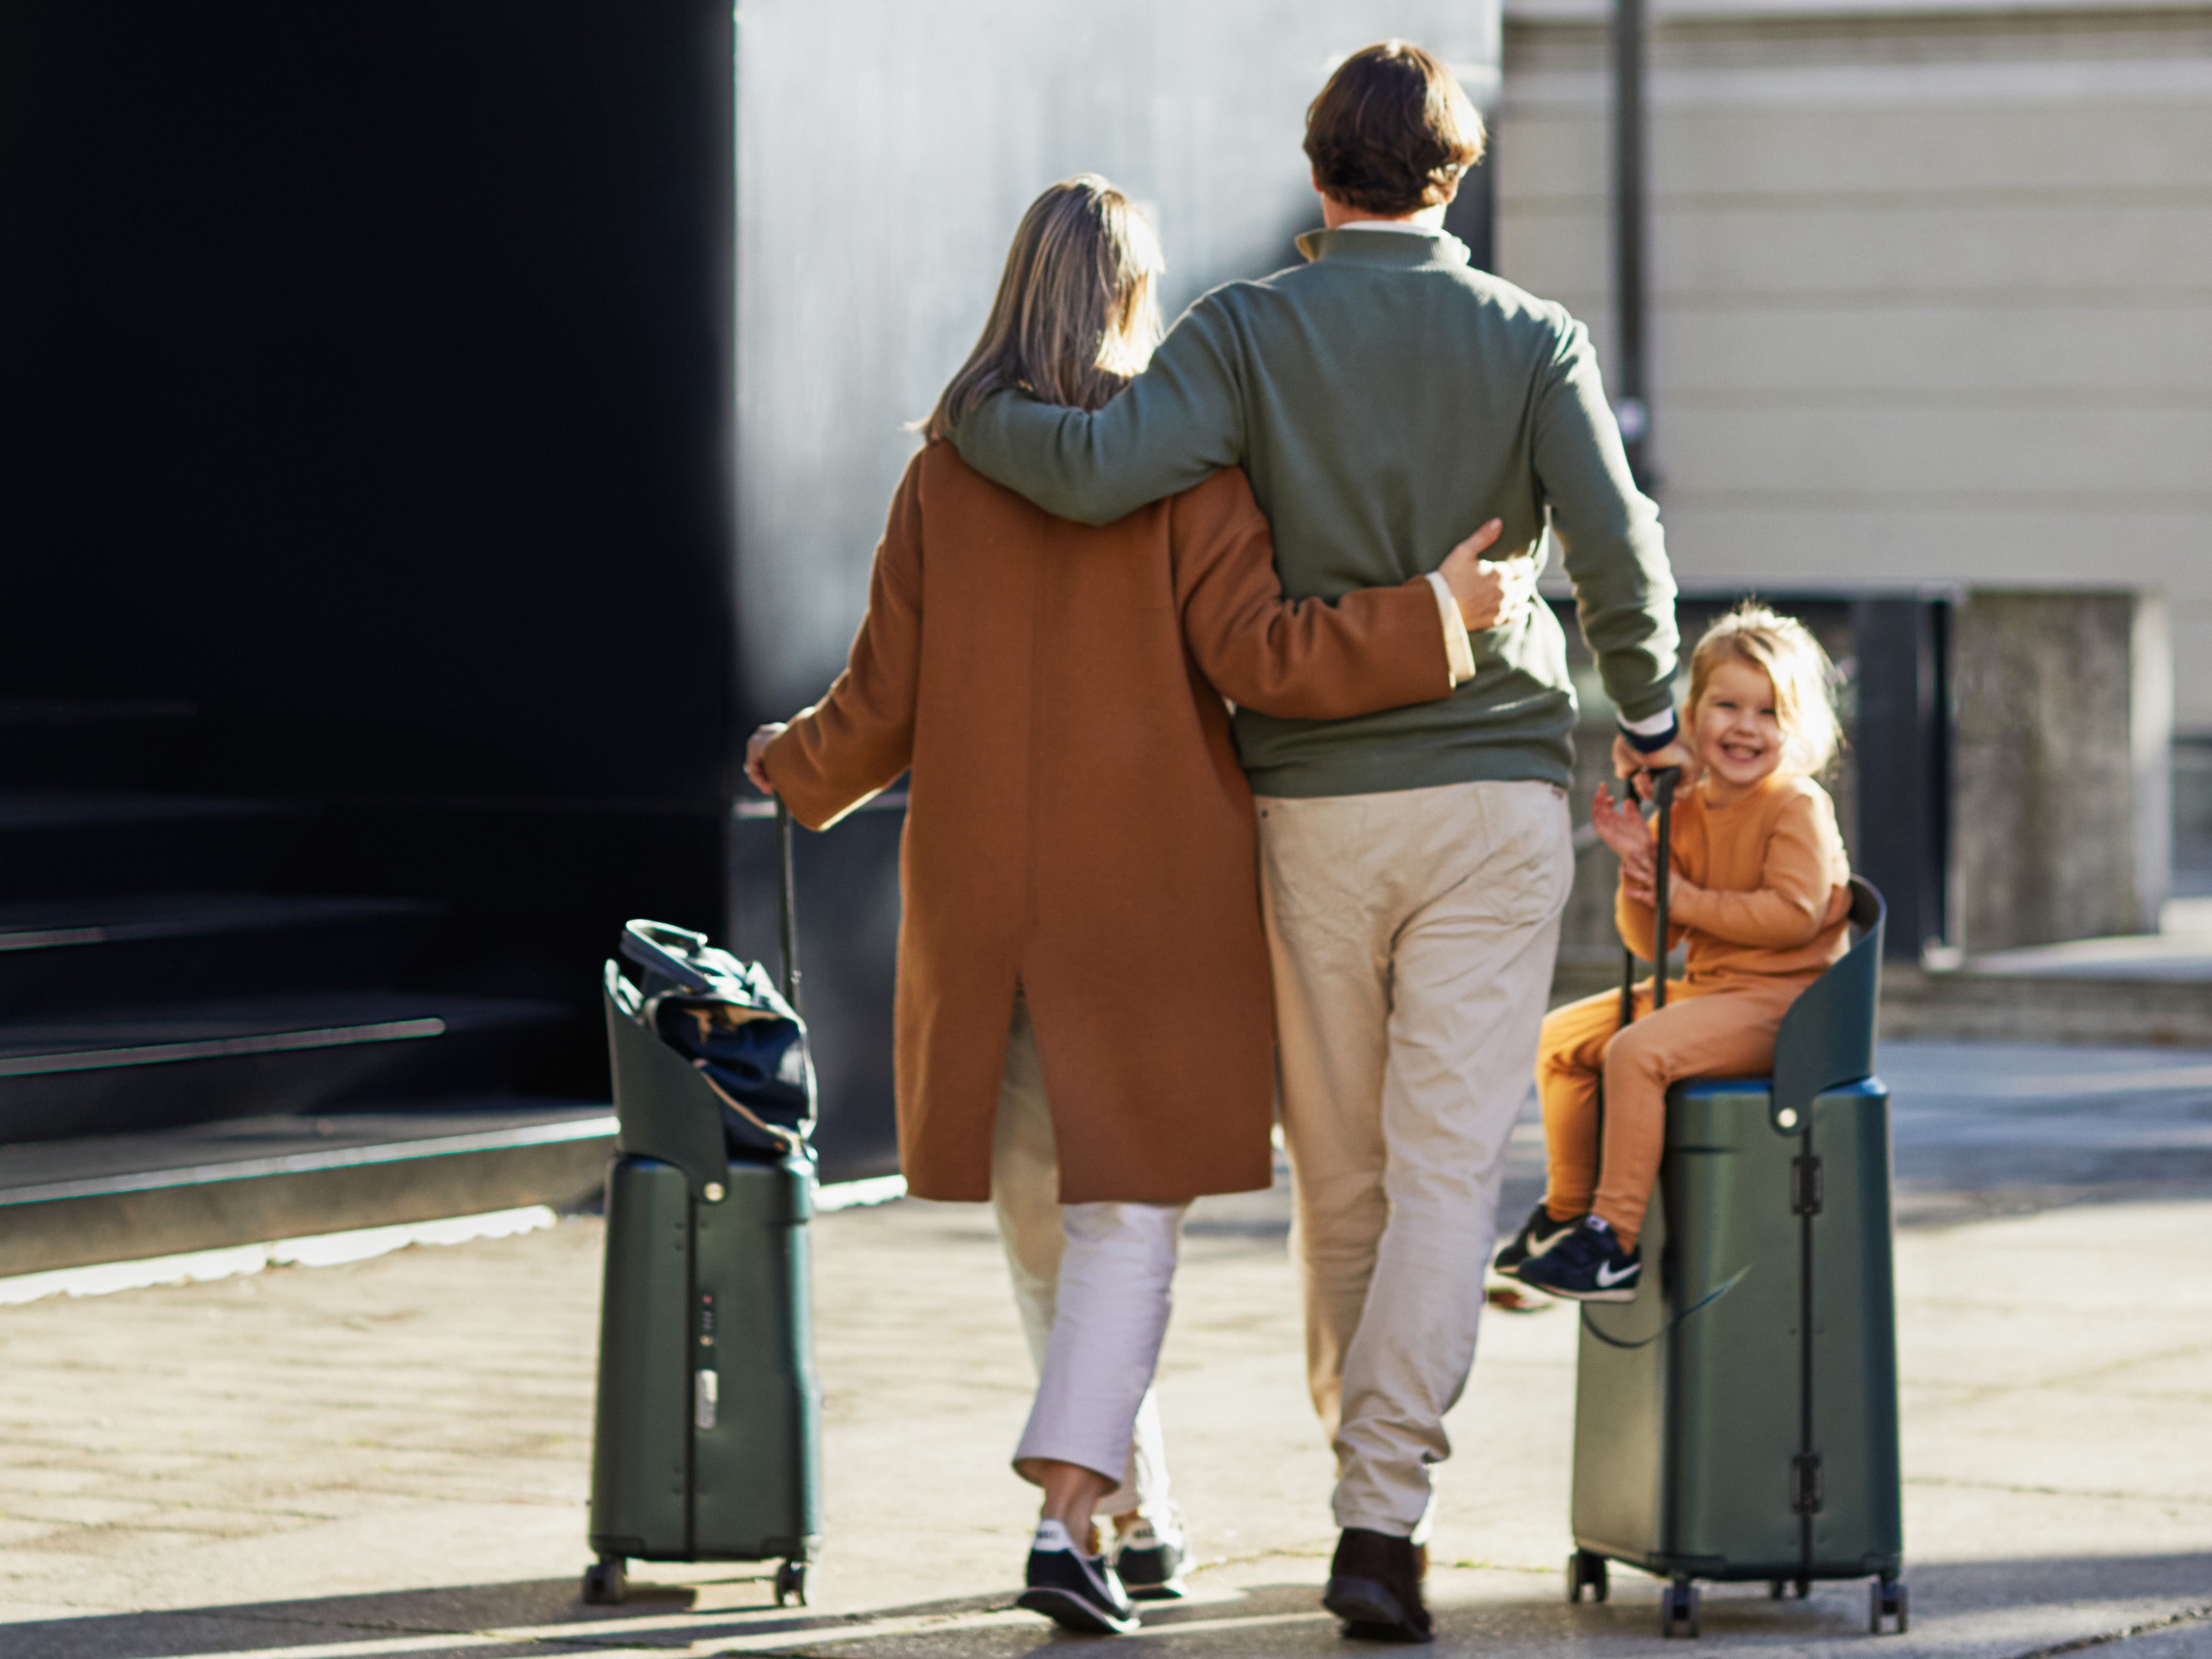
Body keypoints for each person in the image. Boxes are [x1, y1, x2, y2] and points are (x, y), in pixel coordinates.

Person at [952, 41, 1686, 1642]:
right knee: (1442, 1177)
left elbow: (1092, 472)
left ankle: (1364, 1479)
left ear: (1317, 173)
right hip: (1494, 801)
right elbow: (1624, 560)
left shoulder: (1244, 333)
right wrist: (1651, 723)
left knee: (1344, 1181)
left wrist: (968, 421)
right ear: (1455, 174)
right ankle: (1384, 1516)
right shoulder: (1530, 336)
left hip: (1309, 813)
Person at [745, 175, 1530, 1637]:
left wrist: (785, 766)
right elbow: (1270, 657)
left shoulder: (945, 472)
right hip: (1152, 911)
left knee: (1052, 1231)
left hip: (986, 913)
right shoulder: (1189, 471)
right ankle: (1066, 1523)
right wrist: (1439, 615)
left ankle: (1138, 1520)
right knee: (1124, 1232)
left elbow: (879, 707)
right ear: (1129, 297)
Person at [1504, 606, 1853, 1301]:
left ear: (1798, 727)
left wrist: (1681, 895)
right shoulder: (1687, 808)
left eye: (1769, 712)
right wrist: (1642, 864)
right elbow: (1650, 942)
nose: (1745, 727)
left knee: (1638, 1052)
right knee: (1559, 1040)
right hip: (1713, 994)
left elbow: (1793, 917)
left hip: (1787, 1005)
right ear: (1693, 716)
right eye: (1727, 706)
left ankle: (1613, 1243)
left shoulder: (1795, 807)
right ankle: (1569, 1213)